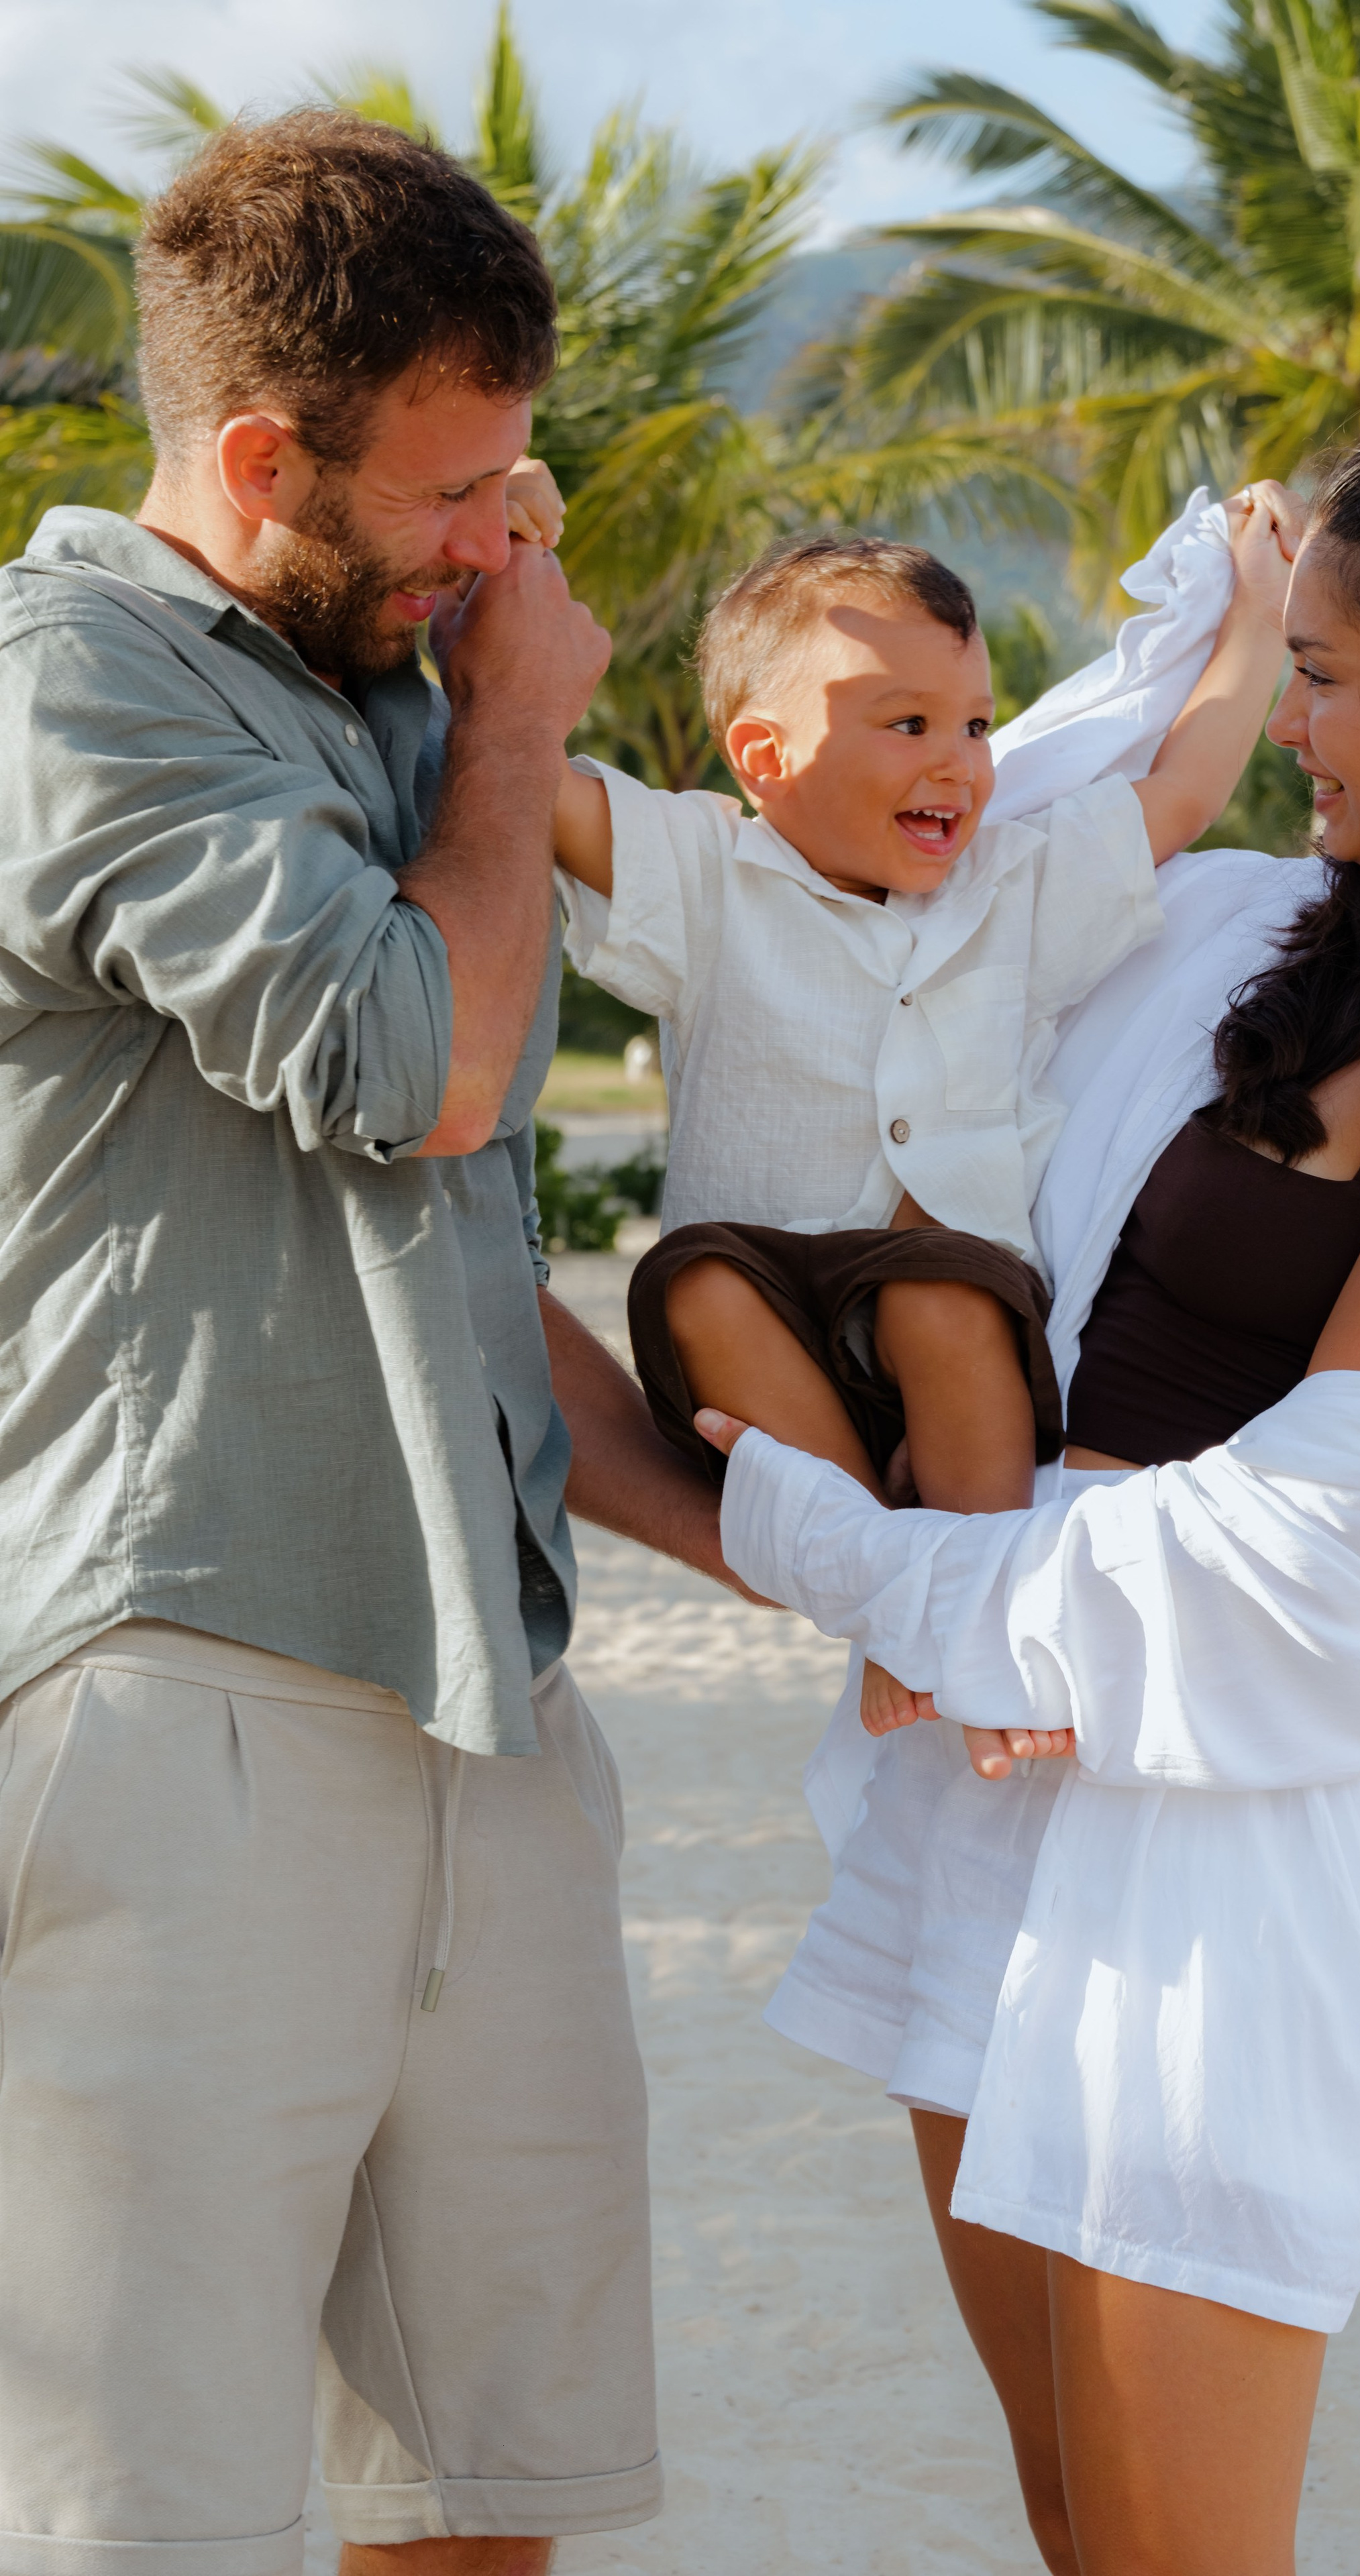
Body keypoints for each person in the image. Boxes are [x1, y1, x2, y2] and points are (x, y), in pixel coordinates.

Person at [696, 409, 1360, 2574]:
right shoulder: (1267, 929)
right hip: (1005, 1801)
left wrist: (844, 1556)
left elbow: (1289, 1554)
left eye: (1335, 678)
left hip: (1228, 1878)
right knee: (1080, 2532)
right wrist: (1227, 621)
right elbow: (965, 873)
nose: (1295, 727)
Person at [0, 111, 739, 2576]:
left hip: (490, 1711)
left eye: (518, 485)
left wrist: (777, 1538)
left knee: (485, 2489)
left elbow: (450, 1248)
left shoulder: (399, 697)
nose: (501, 553)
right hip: (184, 1687)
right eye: (456, 496)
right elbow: (418, 1069)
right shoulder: (71, 684)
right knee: (154, 2518)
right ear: (251, 456)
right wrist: (519, 730)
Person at [550, 500, 1294, 1743]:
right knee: (689, 1284)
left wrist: (1258, 621)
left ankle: (984, 1610)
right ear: (763, 757)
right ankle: (897, 1605)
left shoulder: (1015, 882)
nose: (957, 762)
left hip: (956, 1327)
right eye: (907, 726)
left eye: (976, 725)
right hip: (769, 1322)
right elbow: (540, 785)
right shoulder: (710, 876)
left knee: (937, 1292)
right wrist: (501, 574)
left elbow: (1182, 791)